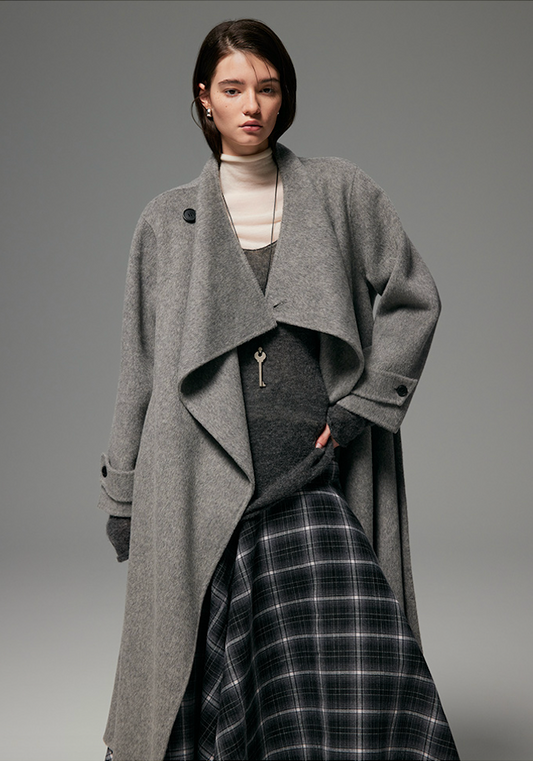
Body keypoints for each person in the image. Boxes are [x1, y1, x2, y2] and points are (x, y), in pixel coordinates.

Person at [99, 18, 459, 761]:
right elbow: (139, 363)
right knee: (211, 667)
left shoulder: (339, 191)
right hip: (198, 478)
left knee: (352, 661)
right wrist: (124, 491)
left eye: (267, 87)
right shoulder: (165, 221)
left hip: (318, 468)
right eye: (233, 88)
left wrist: (360, 408)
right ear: (204, 98)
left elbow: (413, 297)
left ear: (284, 95)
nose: (252, 104)